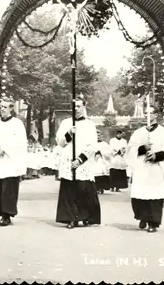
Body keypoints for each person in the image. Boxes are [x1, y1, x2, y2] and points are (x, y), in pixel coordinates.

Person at [126, 107, 164, 233]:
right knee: (140, 196)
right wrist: (142, 148)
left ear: (156, 114)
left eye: (150, 113)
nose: (147, 115)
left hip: (156, 169)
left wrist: (156, 155)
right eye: (145, 113)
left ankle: (153, 222)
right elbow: (130, 150)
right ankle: (143, 217)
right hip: (141, 168)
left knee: (154, 196)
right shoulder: (138, 133)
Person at [55, 97, 101, 229]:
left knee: (83, 188)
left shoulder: (90, 125)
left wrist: (80, 159)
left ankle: (84, 216)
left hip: (83, 161)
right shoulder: (65, 123)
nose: (77, 109)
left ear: (84, 107)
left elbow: (93, 145)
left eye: (79, 106)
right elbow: (60, 143)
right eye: (74, 107)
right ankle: (70, 218)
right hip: (68, 158)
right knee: (69, 189)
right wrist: (69, 133)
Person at [0, 97, 27, 226]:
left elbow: (20, 142)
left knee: (8, 189)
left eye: (5, 107)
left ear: (11, 109)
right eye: (1, 106)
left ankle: (7, 214)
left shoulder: (17, 124)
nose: (2, 109)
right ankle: (0, 213)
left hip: (10, 161)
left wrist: (5, 148)